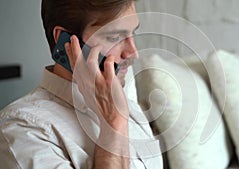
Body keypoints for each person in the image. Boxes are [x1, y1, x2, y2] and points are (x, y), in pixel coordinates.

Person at [0, 0, 163, 168]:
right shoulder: (23, 131)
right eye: (114, 37)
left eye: (132, 34)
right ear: (65, 42)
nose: (133, 53)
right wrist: (114, 124)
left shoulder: (130, 108)